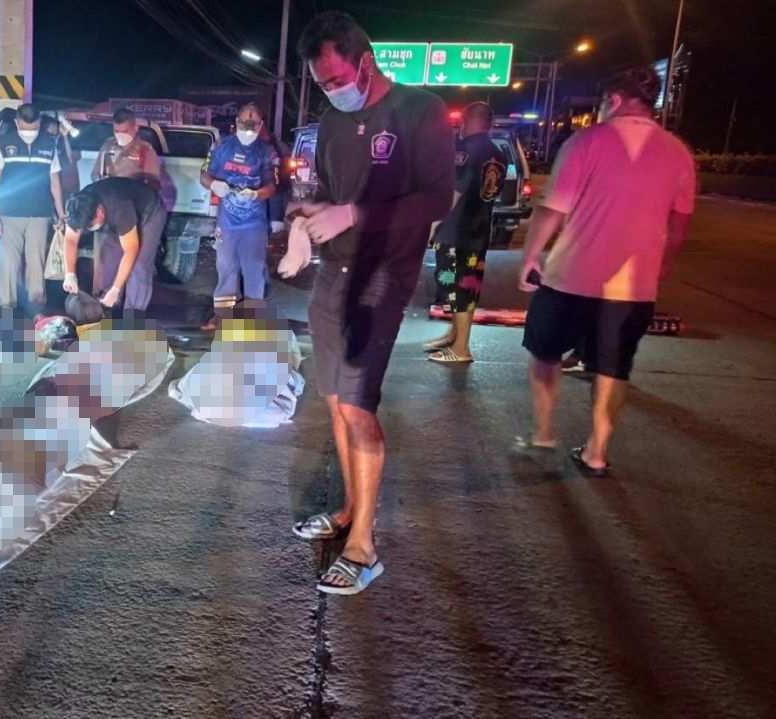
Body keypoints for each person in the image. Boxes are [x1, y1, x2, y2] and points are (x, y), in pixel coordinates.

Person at [287, 11, 455, 596]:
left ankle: (364, 545)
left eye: (338, 79)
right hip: (333, 273)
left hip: (382, 276)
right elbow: (323, 194)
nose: (333, 91)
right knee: (335, 400)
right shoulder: (333, 122)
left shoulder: (419, 110)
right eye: (323, 85)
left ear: (365, 61)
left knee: (359, 406)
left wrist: (353, 214)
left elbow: (438, 198)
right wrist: (302, 222)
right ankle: (348, 509)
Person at [518, 68, 695, 476]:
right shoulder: (678, 152)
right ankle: (597, 451)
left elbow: (553, 208)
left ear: (613, 100)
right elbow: (679, 225)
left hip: (570, 278)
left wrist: (531, 255)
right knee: (613, 368)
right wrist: (661, 267)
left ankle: (543, 432)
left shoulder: (586, 142)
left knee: (545, 353)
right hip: (633, 289)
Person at [424, 102, 508, 363]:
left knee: (457, 287)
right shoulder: (498, 153)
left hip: (456, 231)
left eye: (462, 120)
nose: (459, 125)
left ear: (469, 120)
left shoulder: (466, 150)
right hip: (479, 230)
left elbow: (455, 192)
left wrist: (433, 224)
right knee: (468, 286)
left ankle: (461, 348)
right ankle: (454, 335)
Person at [200, 102, 280, 330]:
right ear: (236, 122)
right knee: (226, 267)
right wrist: (214, 184)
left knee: (254, 268)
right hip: (227, 221)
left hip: (254, 223)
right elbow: (204, 174)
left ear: (260, 125)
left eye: (253, 124)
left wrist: (256, 194)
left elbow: (272, 185)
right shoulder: (221, 146)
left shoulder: (267, 151)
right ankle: (222, 317)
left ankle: (252, 319)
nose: (248, 128)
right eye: (244, 123)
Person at [0, 103, 67, 315]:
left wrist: (61, 214)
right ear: (17, 123)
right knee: (9, 264)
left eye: (33, 127)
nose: (30, 131)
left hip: (39, 215)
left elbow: (55, 183)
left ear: (39, 123)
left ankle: (36, 309)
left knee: (36, 263)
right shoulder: (4, 143)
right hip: (8, 214)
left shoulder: (49, 145)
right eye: (27, 126)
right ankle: (7, 309)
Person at [60, 177, 168, 319]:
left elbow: (131, 250)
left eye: (90, 225)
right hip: (115, 220)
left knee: (139, 265)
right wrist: (70, 275)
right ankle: (105, 308)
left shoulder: (119, 207)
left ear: (100, 211)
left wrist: (116, 288)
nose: (89, 229)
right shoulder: (76, 207)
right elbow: (70, 240)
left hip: (149, 213)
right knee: (107, 259)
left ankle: (133, 317)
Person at [92, 107, 162, 190]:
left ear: (135, 128)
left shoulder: (145, 150)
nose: (120, 135)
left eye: (124, 132)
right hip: (108, 194)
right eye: (116, 131)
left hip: (133, 195)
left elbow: (153, 184)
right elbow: (96, 174)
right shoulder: (108, 145)